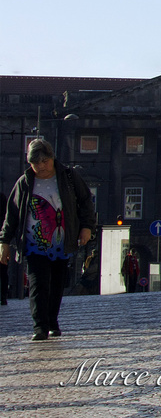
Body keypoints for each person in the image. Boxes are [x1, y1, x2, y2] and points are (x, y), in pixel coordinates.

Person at [0, 138, 99, 339]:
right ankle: (40, 327)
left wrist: (87, 227)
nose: (40, 167)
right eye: (35, 163)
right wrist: (4, 242)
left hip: (62, 241)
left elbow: (86, 202)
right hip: (34, 244)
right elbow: (11, 214)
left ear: (52, 158)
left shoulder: (69, 177)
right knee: (38, 285)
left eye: (44, 162)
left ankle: (52, 321)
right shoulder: (25, 182)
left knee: (56, 284)